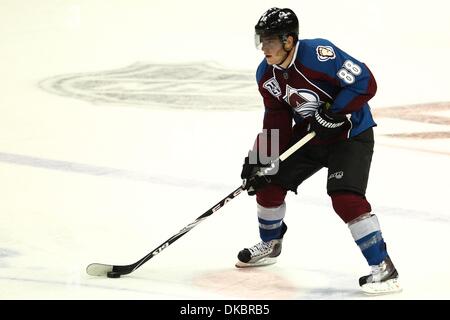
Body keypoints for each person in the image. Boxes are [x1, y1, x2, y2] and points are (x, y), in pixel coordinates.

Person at [237, 7, 401, 295]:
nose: (264, 47)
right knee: (268, 180)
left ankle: (383, 268)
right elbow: (275, 118)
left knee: (345, 198)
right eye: (261, 40)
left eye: (271, 40)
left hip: (351, 134)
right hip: (312, 136)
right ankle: (271, 243)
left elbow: (365, 82)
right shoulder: (266, 75)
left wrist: (335, 112)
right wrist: (262, 157)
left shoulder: (318, 55)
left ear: (289, 40)